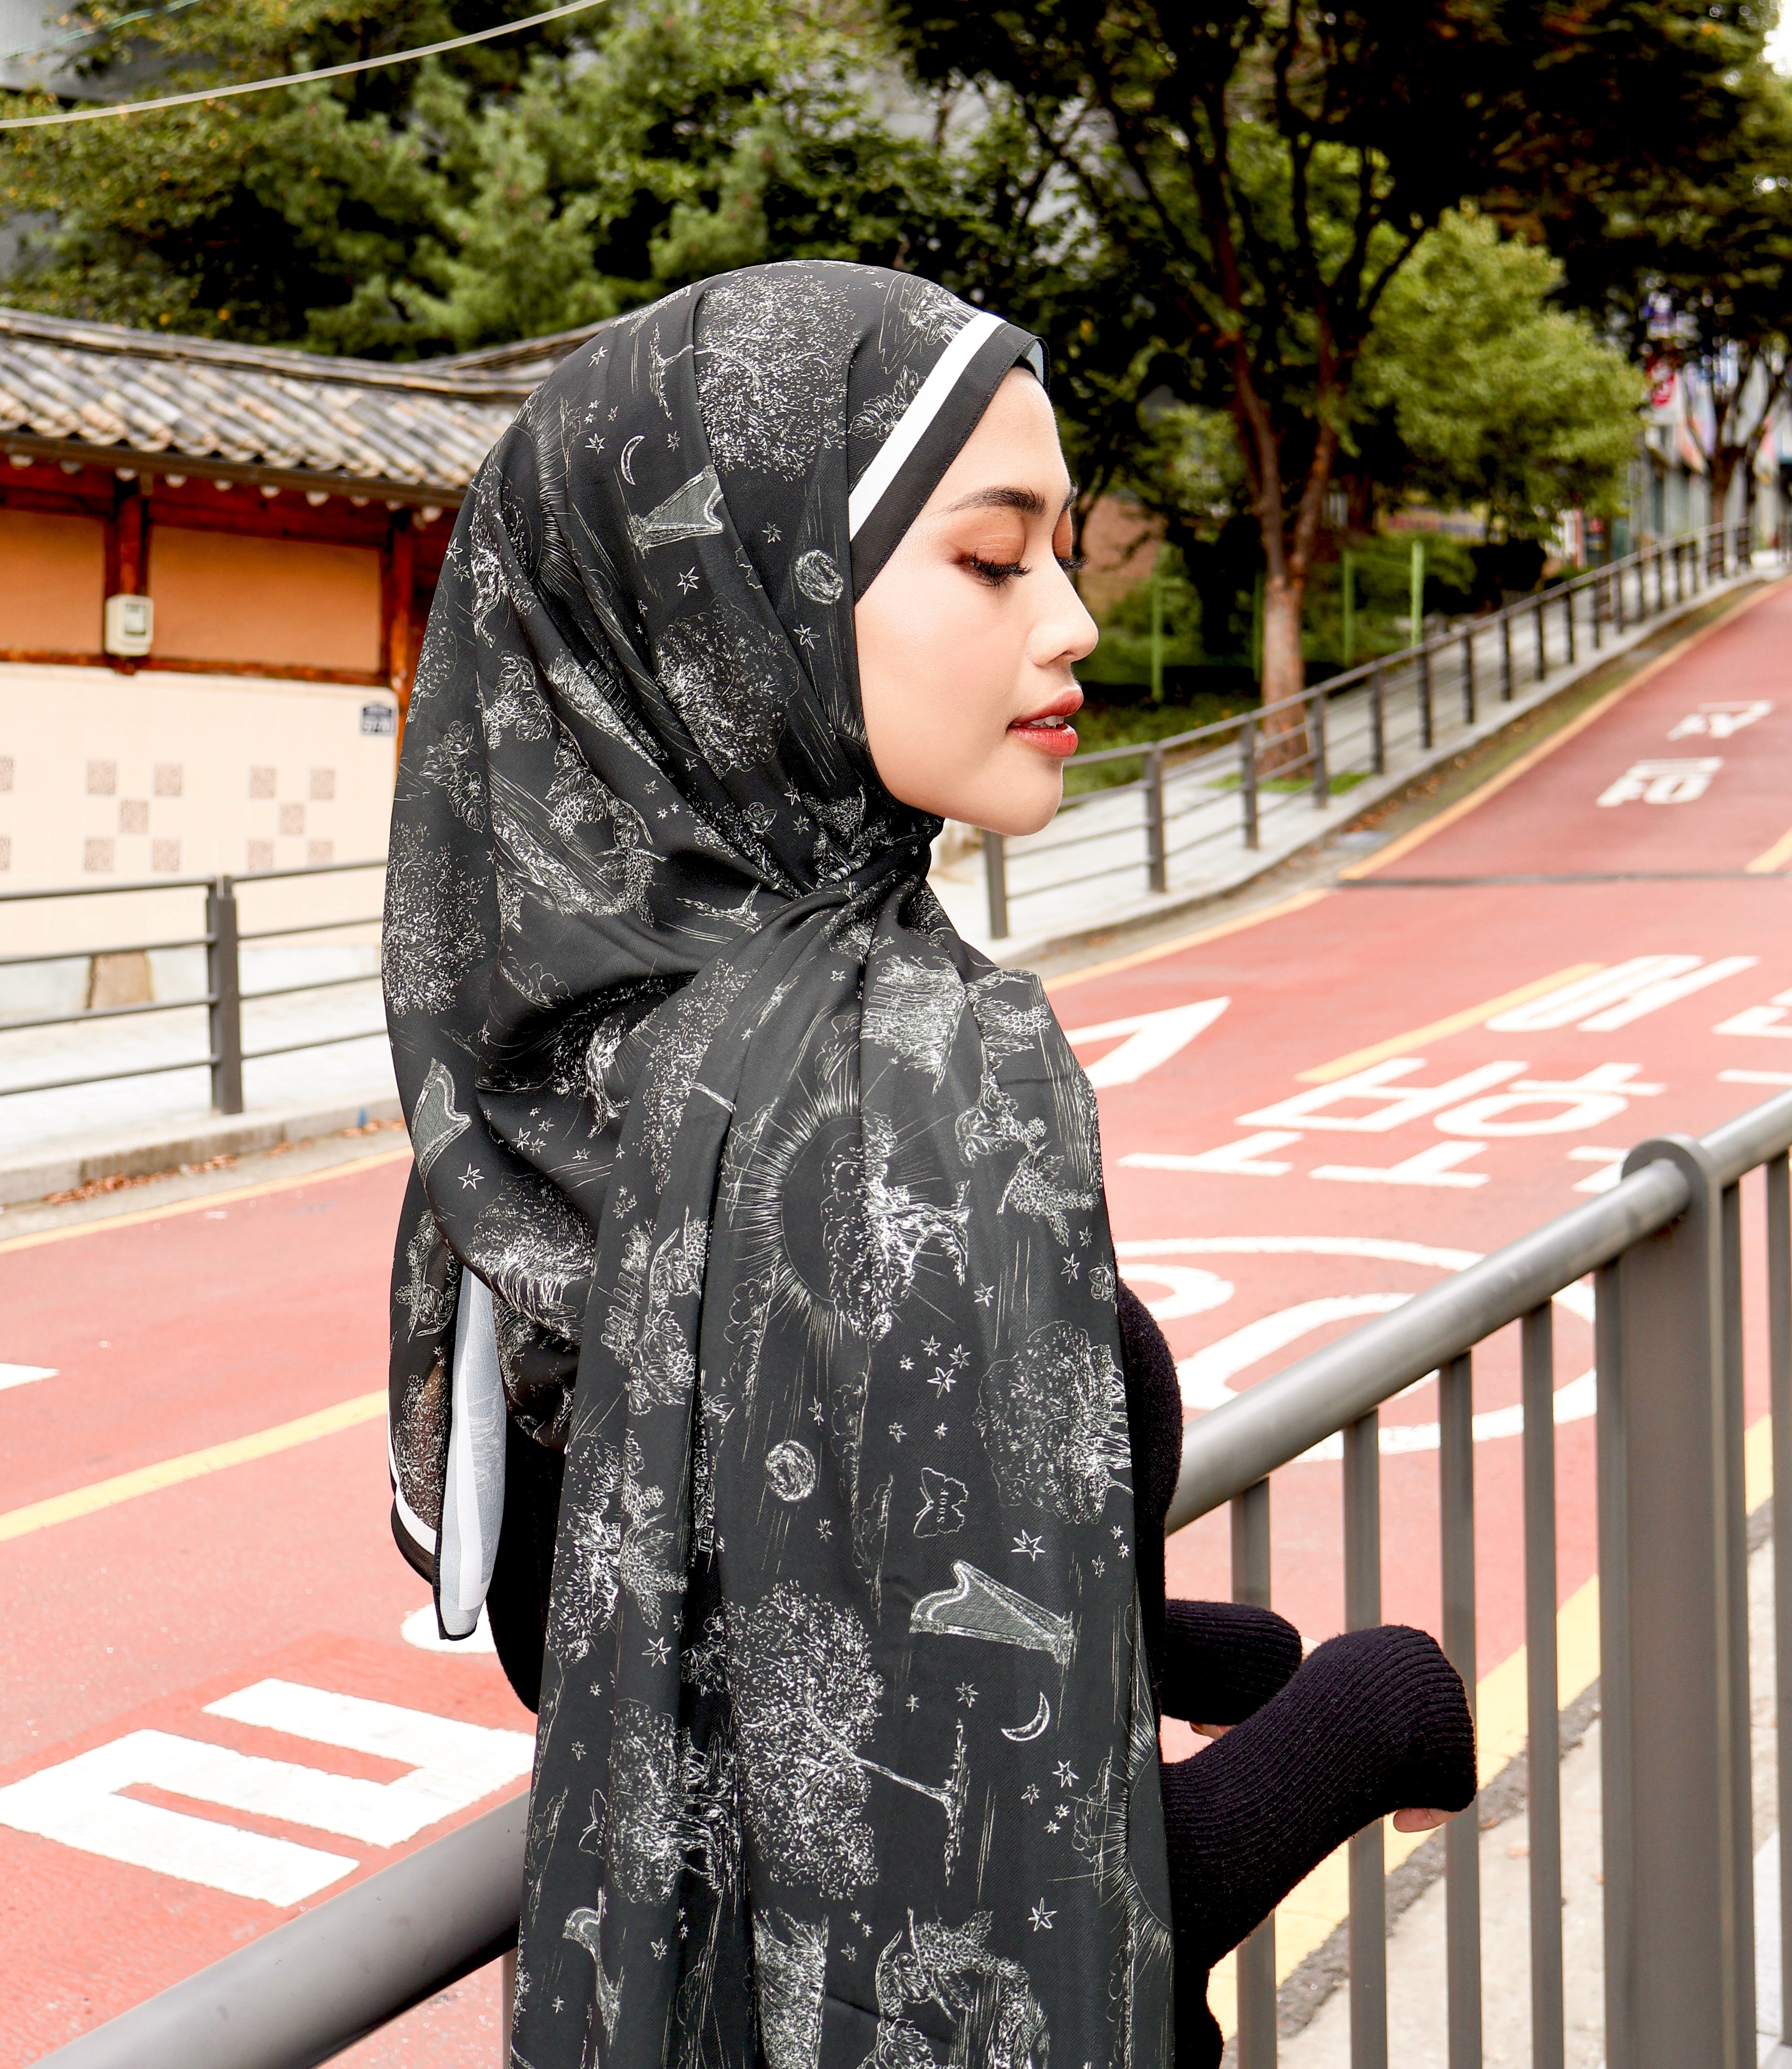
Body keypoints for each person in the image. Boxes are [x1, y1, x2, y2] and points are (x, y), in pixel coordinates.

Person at [383, 262, 1475, 2069]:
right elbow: (993, 1940)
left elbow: (696, 1638)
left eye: (1063, 551)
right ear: (740, 612)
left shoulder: (539, 1064)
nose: (1074, 623)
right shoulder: (894, 1086)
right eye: (990, 558)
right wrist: (1368, 1717)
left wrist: (1141, 1634)